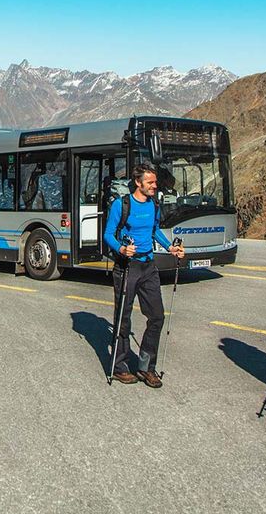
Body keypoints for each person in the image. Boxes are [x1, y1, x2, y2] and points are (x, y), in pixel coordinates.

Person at [104, 163, 185, 388]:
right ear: (138, 182)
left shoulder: (153, 205)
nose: (154, 186)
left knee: (157, 316)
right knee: (123, 319)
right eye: (150, 182)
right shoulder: (122, 205)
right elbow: (108, 234)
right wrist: (121, 249)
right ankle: (120, 367)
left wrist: (170, 247)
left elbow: (154, 231)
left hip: (148, 267)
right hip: (127, 266)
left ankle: (146, 367)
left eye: (155, 182)